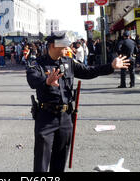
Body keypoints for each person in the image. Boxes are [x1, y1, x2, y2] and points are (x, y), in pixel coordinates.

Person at [26, 31, 130, 172]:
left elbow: (89, 71)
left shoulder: (69, 62)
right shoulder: (37, 63)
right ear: (52, 46)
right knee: (41, 161)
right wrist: (46, 81)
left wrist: (110, 66)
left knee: (60, 159)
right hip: (46, 117)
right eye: (63, 45)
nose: (67, 48)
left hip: (65, 117)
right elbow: (33, 81)